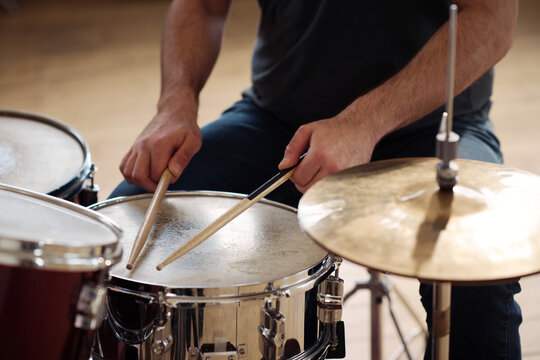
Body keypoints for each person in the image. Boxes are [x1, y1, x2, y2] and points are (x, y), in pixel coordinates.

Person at [111, 1, 521, 359]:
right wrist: (175, 101)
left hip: (436, 126)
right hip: (278, 123)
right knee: (119, 241)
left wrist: (362, 124)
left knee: (478, 278)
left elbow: (492, 17)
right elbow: (204, 5)